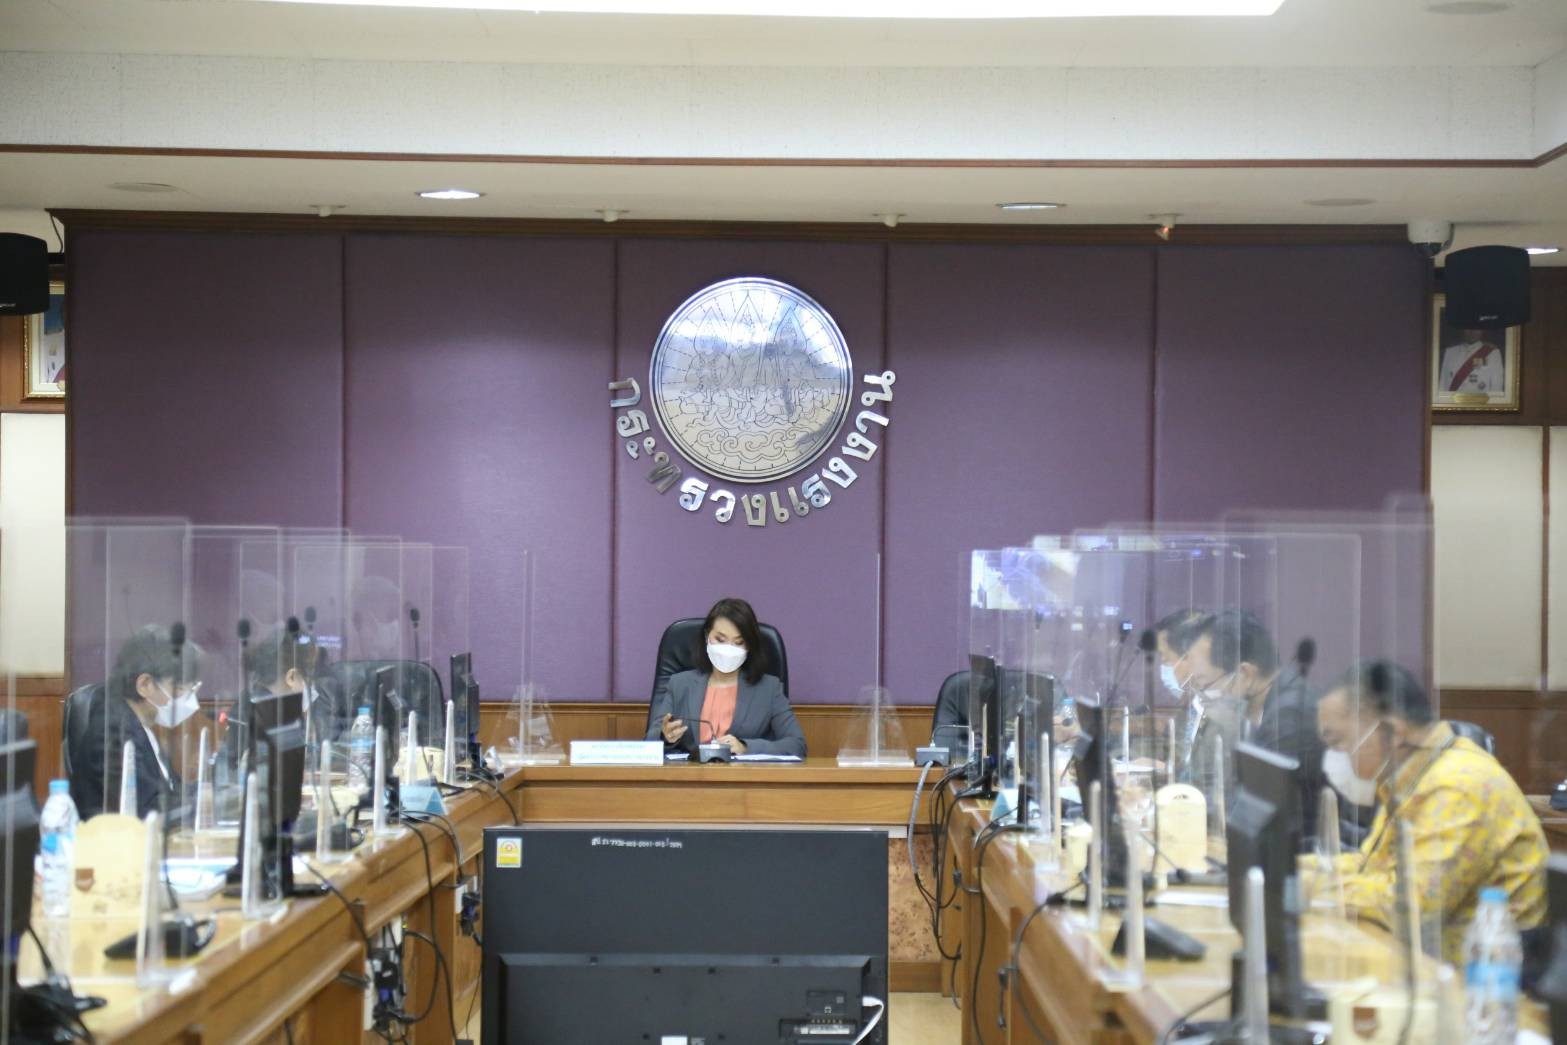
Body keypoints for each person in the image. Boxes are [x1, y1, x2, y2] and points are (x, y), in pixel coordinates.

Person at [1316, 661, 1547, 964]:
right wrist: (1298, 872)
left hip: (1484, 978)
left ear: (1393, 732)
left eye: (1338, 741)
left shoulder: (1458, 787)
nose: (1336, 755)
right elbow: (1370, 865)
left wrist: (1318, 886)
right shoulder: (1414, 776)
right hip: (1429, 961)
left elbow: (1409, 906)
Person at [1183, 609, 1325, 840]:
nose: (1201, 694)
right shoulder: (1273, 702)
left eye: (1203, 684)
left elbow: (1254, 810)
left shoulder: (1290, 717)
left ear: (1245, 673)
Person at [70, 624, 203, 820]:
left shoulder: (140, 725)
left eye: (191, 689)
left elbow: (171, 789)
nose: (187, 698)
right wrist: (202, 801)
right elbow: (144, 810)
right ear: (145, 684)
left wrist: (211, 790)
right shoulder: (113, 735)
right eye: (179, 689)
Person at [647, 598, 806, 758]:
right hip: (692, 772)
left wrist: (745, 747)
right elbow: (649, 744)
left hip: (743, 773)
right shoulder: (679, 684)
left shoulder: (769, 689)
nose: (728, 649)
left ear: (749, 646)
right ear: (707, 636)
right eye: (720, 640)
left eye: (739, 642)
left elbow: (797, 745)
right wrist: (665, 737)